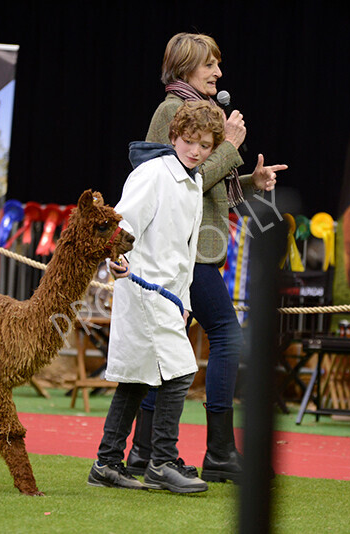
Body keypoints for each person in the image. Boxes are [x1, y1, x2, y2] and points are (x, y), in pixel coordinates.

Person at [126, 32, 286, 483]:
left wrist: (252, 179)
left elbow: (204, 185)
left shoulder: (195, 112)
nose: (218, 72)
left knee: (171, 348)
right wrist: (230, 147)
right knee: (223, 338)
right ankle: (215, 452)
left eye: (218, 64)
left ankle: (144, 453)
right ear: (185, 67)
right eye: (210, 64)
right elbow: (175, 179)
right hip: (179, 250)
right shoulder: (170, 111)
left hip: (196, 248)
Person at [88, 101, 224, 493]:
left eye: (204, 144)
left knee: (135, 379)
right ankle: (162, 462)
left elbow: (184, 250)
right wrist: (118, 260)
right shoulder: (152, 174)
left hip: (169, 297)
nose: (195, 150)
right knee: (180, 370)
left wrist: (184, 302)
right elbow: (122, 223)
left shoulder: (195, 181)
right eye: (188, 140)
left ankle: (106, 463)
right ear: (173, 137)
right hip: (143, 287)